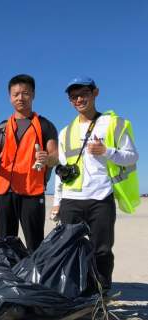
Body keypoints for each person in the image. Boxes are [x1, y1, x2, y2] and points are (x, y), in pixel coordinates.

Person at [56, 76, 139, 291]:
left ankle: (101, 295)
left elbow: (132, 157)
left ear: (95, 93)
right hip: (71, 199)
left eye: (84, 93)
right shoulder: (65, 132)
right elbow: (61, 170)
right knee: (67, 249)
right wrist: (57, 201)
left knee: (101, 250)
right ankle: (72, 292)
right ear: (70, 101)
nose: (79, 99)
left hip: (101, 198)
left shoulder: (114, 124)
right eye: (74, 96)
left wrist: (107, 152)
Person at [0, 74, 58, 252]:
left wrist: (47, 159)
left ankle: (35, 278)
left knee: (35, 243)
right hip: (4, 192)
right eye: (15, 94)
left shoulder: (45, 125)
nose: (20, 98)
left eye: (25, 93)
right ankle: (9, 279)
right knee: (5, 244)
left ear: (33, 95)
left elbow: (55, 155)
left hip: (32, 191)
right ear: (10, 97)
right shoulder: (2, 127)